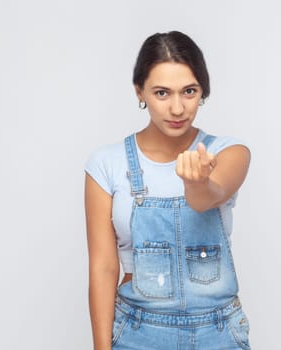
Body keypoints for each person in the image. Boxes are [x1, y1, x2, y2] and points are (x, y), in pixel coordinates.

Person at [84, 31, 251, 350]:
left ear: (203, 91)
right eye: (162, 93)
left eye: (189, 91)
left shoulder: (229, 153)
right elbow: (103, 267)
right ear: (140, 91)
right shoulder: (107, 163)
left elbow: (207, 198)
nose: (177, 108)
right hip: (137, 332)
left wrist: (198, 182)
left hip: (217, 333)